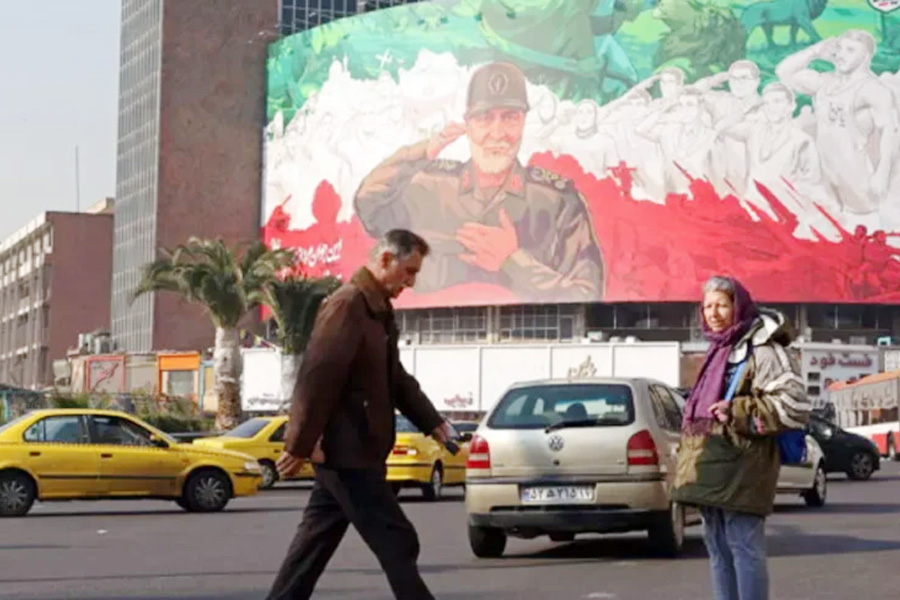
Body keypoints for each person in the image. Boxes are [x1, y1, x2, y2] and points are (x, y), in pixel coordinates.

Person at [266, 229, 453, 600]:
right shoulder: (348, 305)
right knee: (396, 540)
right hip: (347, 451)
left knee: (312, 547)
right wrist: (300, 443)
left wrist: (434, 423)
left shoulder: (378, 311)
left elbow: (396, 379)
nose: (411, 282)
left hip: (357, 449)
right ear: (385, 259)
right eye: (408, 271)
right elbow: (318, 375)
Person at [354, 61, 605, 302]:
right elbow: (368, 206)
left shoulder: (556, 202)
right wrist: (422, 152)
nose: (497, 134)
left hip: (533, 337)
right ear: (468, 125)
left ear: (523, 122)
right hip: (425, 334)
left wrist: (513, 261)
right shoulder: (430, 186)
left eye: (509, 118)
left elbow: (587, 294)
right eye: (485, 118)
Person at [672, 276, 810, 600]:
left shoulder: (763, 350)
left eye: (722, 304)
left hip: (746, 465)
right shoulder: (718, 350)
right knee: (718, 549)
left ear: (739, 305)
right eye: (707, 306)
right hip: (711, 463)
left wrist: (737, 410)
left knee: (744, 546)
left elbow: (794, 405)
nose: (714, 313)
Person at [776, 30, 898, 218]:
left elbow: (890, 131)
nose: (841, 55)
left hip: (857, 176)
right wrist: (815, 51)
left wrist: (882, 173)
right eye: (839, 48)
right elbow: (783, 71)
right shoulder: (824, 81)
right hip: (826, 173)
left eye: (850, 50)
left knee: (862, 223)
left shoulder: (874, 90)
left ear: (865, 56)